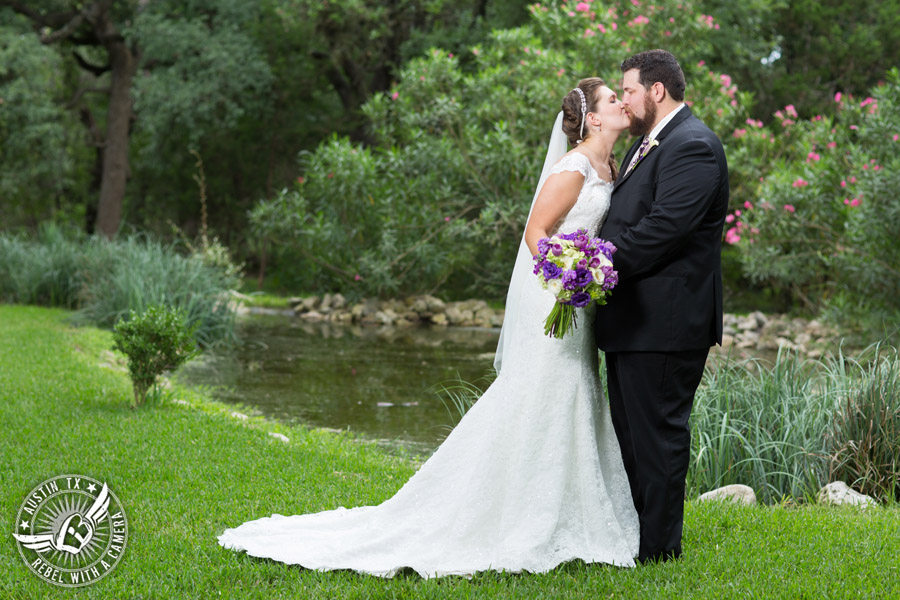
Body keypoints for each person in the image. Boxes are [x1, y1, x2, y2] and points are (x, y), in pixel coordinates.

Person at [217, 78, 639, 578]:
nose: (621, 104)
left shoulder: (611, 165)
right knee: (545, 390)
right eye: (613, 99)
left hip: (580, 300)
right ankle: (518, 512)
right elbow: (536, 232)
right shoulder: (571, 169)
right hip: (556, 294)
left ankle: (570, 508)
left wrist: (584, 279)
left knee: (576, 389)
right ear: (592, 118)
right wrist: (564, 277)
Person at [594, 50, 729, 563]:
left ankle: (660, 550)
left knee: (659, 436)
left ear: (656, 91)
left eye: (628, 91)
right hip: (633, 318)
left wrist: (597, 266)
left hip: (667, 322)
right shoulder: (646, 145)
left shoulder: (693, 145)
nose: (624, 102)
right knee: (632, 434)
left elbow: (663, 230)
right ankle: (637, 537)